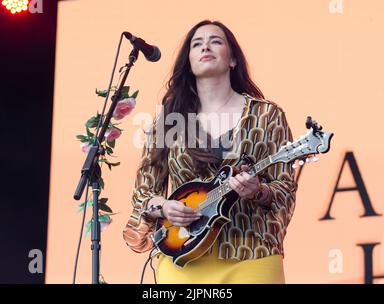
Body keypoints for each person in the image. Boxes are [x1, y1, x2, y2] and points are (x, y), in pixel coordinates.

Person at [123, 20, 297, 284]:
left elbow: (285, 187)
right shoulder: (169, 119)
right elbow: (143, 192)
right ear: (189, 61)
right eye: (197, 43)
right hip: (182, 255)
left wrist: (258, 190)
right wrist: (165, 208)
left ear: (233, 60)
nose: (205, 46)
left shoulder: (267, 115)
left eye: (216, 41)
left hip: (252, 254)